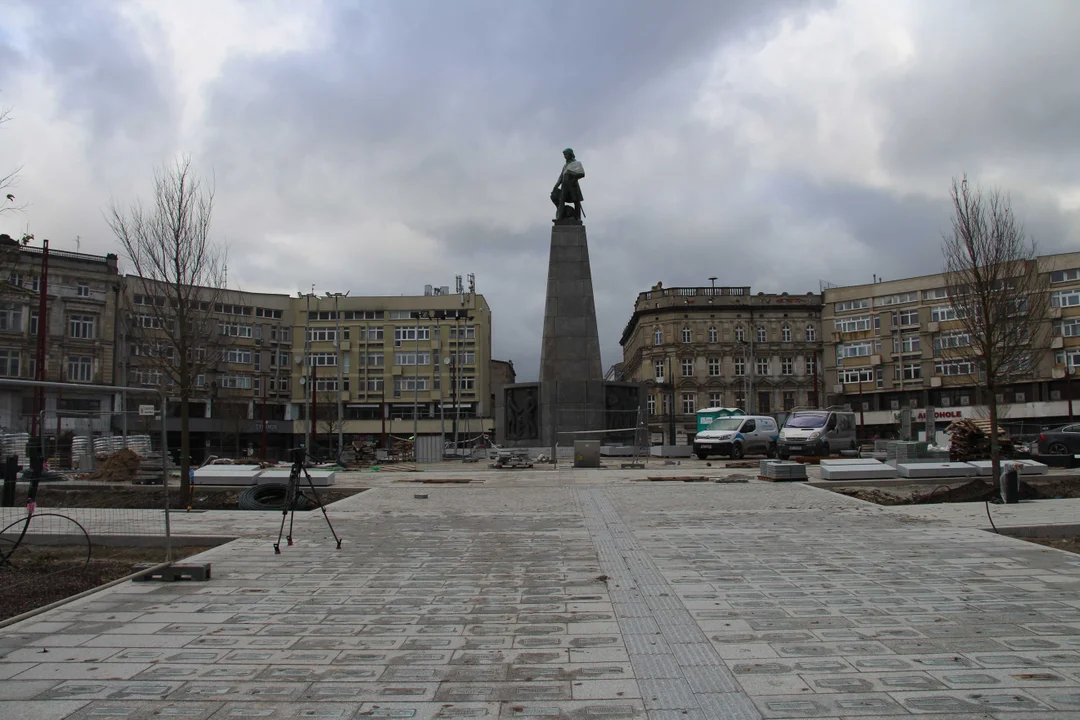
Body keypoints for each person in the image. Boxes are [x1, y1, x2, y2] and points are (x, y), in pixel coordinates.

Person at [551, 147, 585, 220]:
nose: (565, 156)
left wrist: (571, 173)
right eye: (564, 155)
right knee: (561, 200)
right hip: (564, 186)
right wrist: (555, 186)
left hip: (573, 185)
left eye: (566, 154)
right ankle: (559, 217)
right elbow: (561, 177)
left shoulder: (577, 163)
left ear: (570, 154)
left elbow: (582, 173)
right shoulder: (565, 166)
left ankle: (578, 218)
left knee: (576, 202)